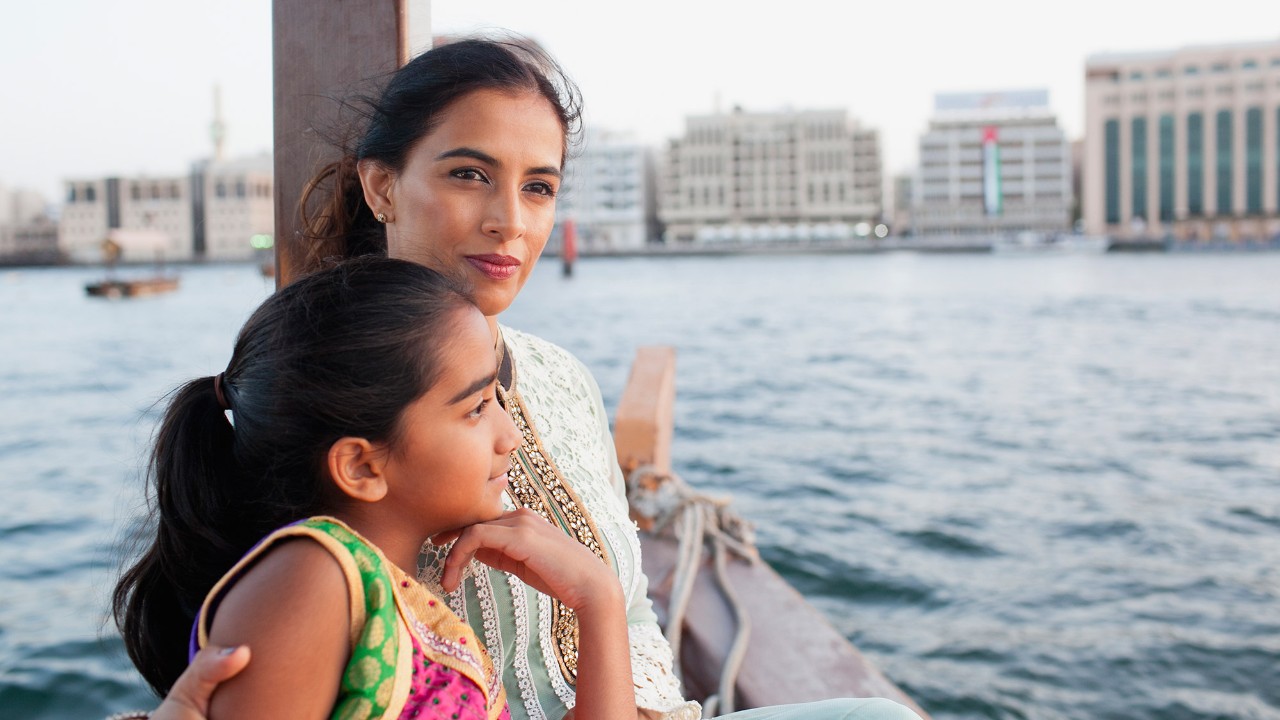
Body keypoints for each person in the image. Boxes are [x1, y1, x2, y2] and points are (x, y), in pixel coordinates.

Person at [143, 36, 922, 720]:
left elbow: (634, 615)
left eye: (539, 187)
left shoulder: (561, 377)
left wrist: (614, 630)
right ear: (381, 186)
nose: (510, 221)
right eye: (470, 174)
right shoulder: (329, 388)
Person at [113, 258, 637, 719]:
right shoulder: (315, 578)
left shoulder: (379, 590)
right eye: (477, 407)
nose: (511, 435)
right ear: (362, 467)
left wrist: (598, 600)